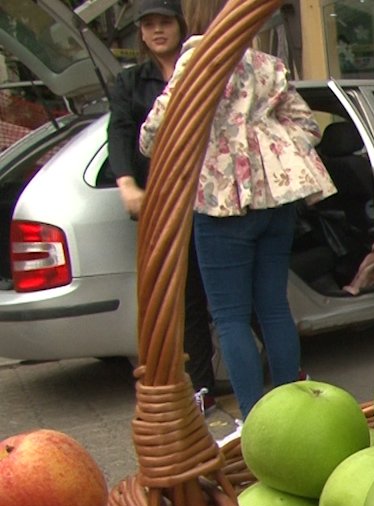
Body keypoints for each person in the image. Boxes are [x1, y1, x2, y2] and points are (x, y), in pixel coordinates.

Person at [140, 0, 335, 418]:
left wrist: (221, 142)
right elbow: (308, 127)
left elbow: (154, 135)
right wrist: (263, 142)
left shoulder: (196, 59)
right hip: (275, 200)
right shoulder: (268, 65)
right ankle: (294, 414)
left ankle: (255, 422)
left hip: (220, 202)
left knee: (229, 317)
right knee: (273, 307)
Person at [107, 0, 219, 414]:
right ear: (140, 33)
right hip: (163, 205)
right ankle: (203, 392)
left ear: (179, 25)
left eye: (164, 23)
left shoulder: (204, 64)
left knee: (227, 295)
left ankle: (281, 378)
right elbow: (118, 134)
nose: (157, 31)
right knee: (186, 299)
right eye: (149, 25)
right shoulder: (130, 83)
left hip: (211, 197)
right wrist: (127, 185)